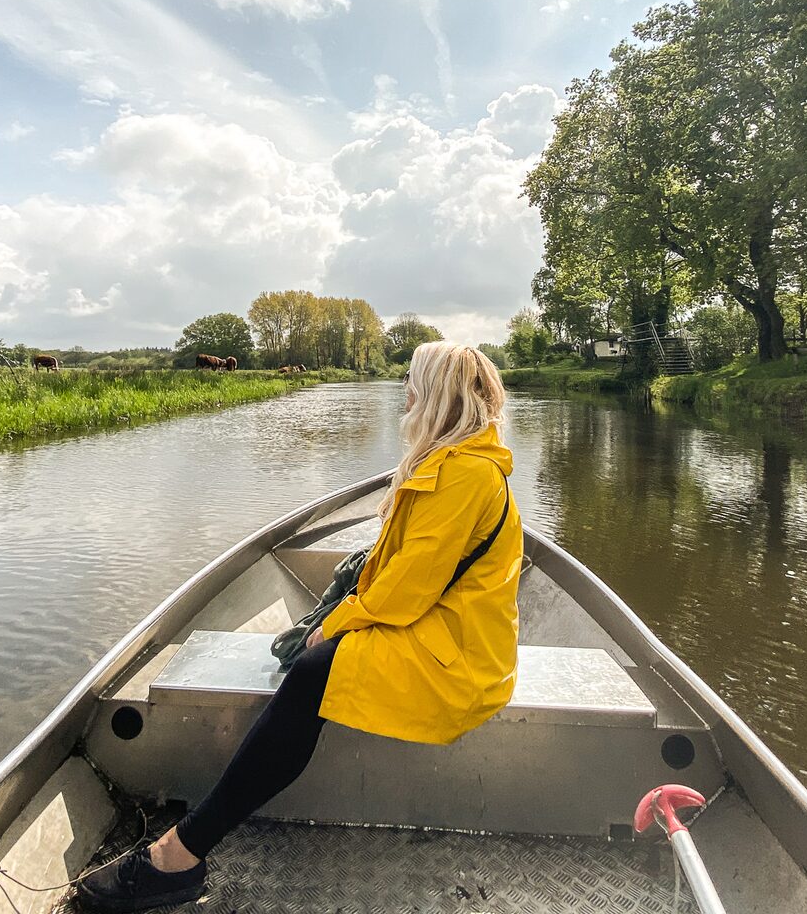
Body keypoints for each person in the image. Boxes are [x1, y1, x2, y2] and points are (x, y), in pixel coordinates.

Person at [77, 341, 523, 912]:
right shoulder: (456, 464)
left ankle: (180, 855)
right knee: (317, 664)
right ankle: (185, 848)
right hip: (442, 631)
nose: (405, 394)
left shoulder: (463, 475)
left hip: (460, 656)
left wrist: (334, 623)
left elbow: (407, 590)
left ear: (436, 396)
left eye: (412, 383)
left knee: (314, 668)